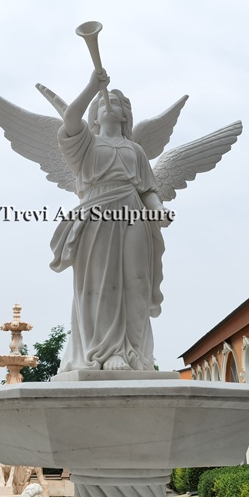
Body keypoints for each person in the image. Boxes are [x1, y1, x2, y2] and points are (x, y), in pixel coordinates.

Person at [51, 71, 169, 373]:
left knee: (137, 282)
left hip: (134, 215)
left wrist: (159, 208)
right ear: (95, 113)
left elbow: (147, 190)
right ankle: (108, 350)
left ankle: (136, 353)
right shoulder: (85, 145)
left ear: (125, 113)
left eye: (115, 101)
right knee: (103, 283)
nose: (108, 104)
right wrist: (93, 86)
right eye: (103, 102)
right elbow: (71, 120)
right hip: (97, 216)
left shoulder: (136, 150)